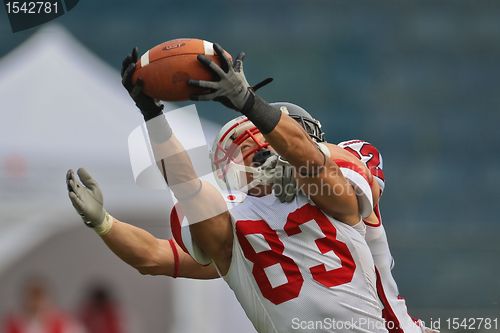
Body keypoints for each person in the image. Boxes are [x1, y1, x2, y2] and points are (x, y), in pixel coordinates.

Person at [67, 44, 387, 332]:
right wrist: (104, 223)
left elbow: (316, 165)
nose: (259, 155)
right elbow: (158, 245)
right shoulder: (232, 218)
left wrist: (248, 101)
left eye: (262, 146)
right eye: (248, 150)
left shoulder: (333, 188)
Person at [3, 277, 81, 333]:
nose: (36, 304)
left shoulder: (65, 324)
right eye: (32, 299)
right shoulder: (11, 326)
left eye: (39, 299)